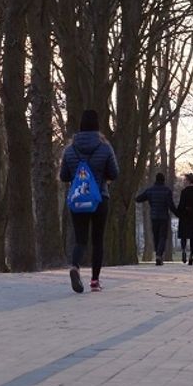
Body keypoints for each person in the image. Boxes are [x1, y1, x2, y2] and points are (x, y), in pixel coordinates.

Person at [59, 109, 119, 293]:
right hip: (100, 197)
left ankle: (75, 266)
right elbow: (114, 173)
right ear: (98, 126)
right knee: (98, 240)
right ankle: (94, 281)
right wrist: (102, 177)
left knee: (80, 239)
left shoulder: (70, 150)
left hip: (78, 199)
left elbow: (63, 176)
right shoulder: (105, 147)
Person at [136, 172, 179, 266]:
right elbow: (171, 205)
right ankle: (159, 255)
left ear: (156, 180)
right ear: (163, 180)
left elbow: (139, 198)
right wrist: (178, 214)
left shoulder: (150, 190)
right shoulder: (167, 191)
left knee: (156, 236)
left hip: (154, 217)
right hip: (164, 217)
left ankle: (157, 254)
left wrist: (138, 196)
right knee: (162, 236)